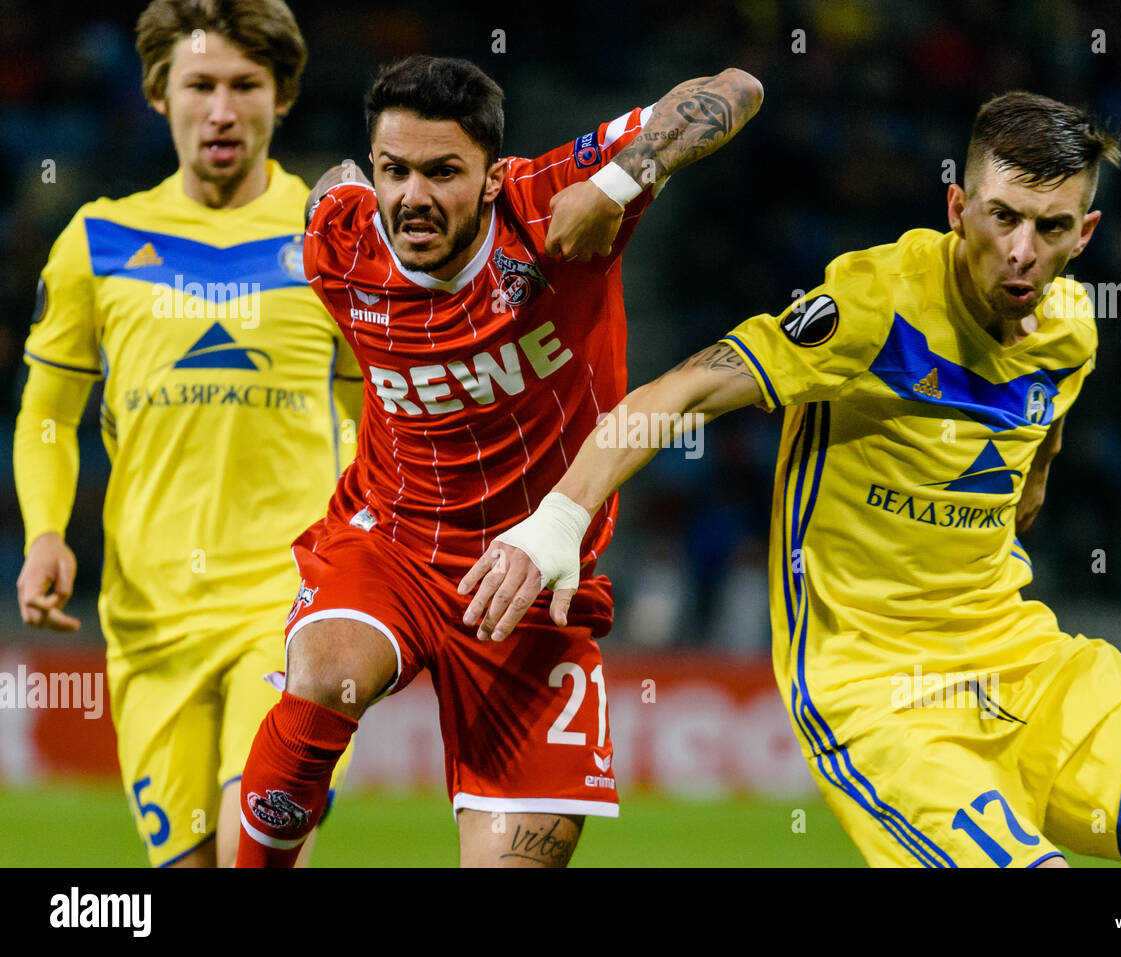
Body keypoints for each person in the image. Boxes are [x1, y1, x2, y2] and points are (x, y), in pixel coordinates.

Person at [463, 91, 1121, 868]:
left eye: (1051, 225)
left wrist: (1009, 496)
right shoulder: (871, 306)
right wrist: (560, 519)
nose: (1023, 250)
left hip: (1018, 654)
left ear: (1087, 232)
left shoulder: (1071, 331)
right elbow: (677, 393)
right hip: (877, 685)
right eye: (1002, 217)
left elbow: (1035, 464)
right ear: (959, 209)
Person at [235, 55, 763, 867]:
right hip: (392, 544)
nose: (413, 195)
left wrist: (619, 186)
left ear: (490, 178)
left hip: (538, 576)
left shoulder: (547, 206)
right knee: (328, 675)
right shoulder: (339, 242)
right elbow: (331, 189)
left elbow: (736, 91)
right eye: (395, 170)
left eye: (443, 171)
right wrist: (341, 180)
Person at [14, 0, 359, 867]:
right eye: (200, 84)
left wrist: (370, 547)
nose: (222, 107)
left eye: (247, 84)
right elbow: (49, 414)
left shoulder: (333, 234)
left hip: (289, 607)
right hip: (148, 620)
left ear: (281, 99)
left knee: (263, 853)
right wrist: (46, 533)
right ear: (158, 93)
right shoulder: (96, 239)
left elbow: (369, 408)